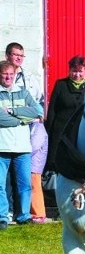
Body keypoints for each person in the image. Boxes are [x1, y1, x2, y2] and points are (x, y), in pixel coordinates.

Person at [6, 42, 48, 223]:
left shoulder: (29, 78)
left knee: (28, 173)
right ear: (8, 55)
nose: (18, 59)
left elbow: (38, 108)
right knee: (5, 176)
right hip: (6, 131)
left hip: (28, 130)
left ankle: (28, 213)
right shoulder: (4, 75)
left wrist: (18, 113)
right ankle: (6, 212)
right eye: (15, 55)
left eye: (21, 56)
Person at [45, 55, 85, 173]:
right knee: (57, 162)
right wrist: (48, 131)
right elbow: (52, 109)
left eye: (80, 71)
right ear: (69, 70)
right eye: (74, 71)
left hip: (82, 131)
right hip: (61, 130)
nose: (77, 74)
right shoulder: (61, 85)